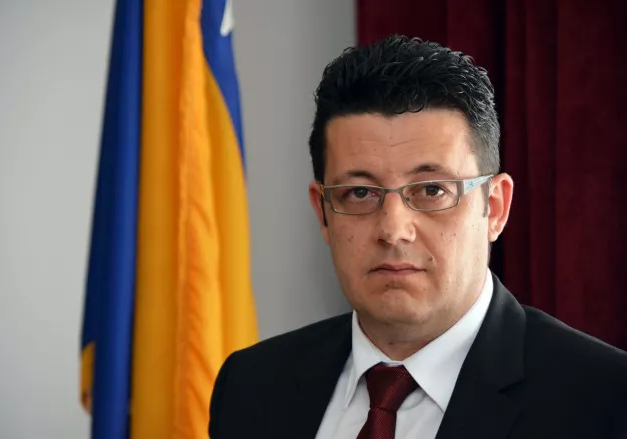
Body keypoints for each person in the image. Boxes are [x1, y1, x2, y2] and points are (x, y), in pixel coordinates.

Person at [208, 35, 627, 439]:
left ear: (495, 207)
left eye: (431, 190)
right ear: (323, 213)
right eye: (360, 193)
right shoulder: (251, 386)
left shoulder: (603, 400)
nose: (393, 231)